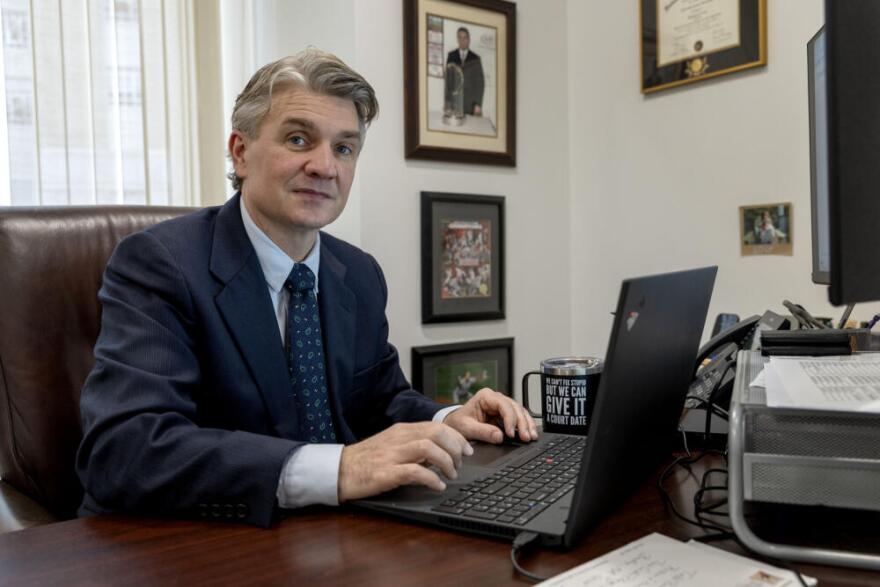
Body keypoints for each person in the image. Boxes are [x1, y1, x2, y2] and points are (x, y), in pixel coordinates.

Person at [75, 49, 536, 528]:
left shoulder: (356, 272)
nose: (325, 166)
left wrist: (449, 420)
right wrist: (339, 468)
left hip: (327, 539)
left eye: (344, 148)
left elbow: (380, 399)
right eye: (299, 140)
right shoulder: (160, 264)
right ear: (240, 152)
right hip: (187, 543)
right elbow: (125, 449)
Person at [446, 27, 484, 116]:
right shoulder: (451, 56)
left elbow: (480, 83)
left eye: (465, 38)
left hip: (471, 104)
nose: (462, 40)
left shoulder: (476, 59)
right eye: (460, 37)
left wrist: (478, 105)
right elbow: (448, 81)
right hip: (455, 103)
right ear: (457, 39)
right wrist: (448, 101)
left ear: (469, 40)